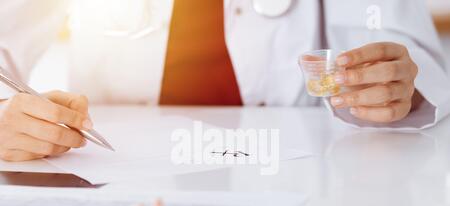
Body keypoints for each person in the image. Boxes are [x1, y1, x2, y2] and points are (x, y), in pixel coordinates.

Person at [0, 0, 448, 162]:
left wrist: (397, 87)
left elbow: (408, 52)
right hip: (115, 176)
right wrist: (7, 113)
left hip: (295, 174)